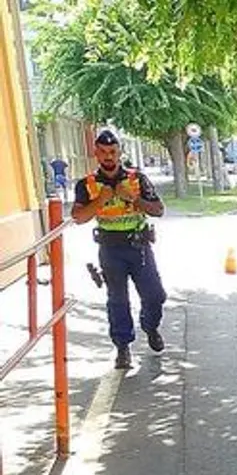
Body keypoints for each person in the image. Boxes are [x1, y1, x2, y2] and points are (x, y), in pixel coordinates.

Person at [71, 129, 167, 370]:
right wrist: (100, 201)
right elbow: (79, 217)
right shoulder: (87, 184)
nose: (108, 157)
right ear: (96, 154)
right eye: (103, 152)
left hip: (139, 246)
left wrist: (133, 199)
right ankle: (123, 347)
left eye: (112, 152)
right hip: (110, 249)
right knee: (118, 300)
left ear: (119, 152)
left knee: (155, 295)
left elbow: (158, 209)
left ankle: (150, 326)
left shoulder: (137, 179)